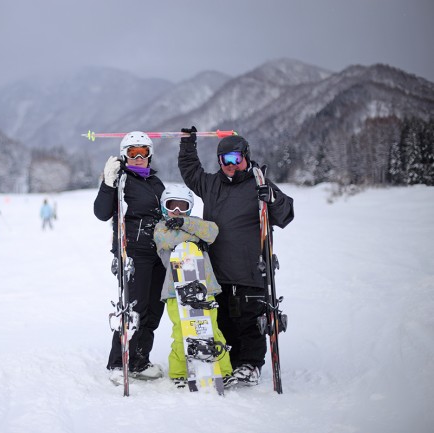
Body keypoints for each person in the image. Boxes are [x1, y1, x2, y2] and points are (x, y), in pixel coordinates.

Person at [178, 126, 294, 387]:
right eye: (224, 160)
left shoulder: (260, 183)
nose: (230, 165)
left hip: (250, 269)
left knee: (249, 322)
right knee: (222, 321)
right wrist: (187, 145)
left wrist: (272, 199)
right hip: (217, 270)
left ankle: (250, 365)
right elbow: (190, 171)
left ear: (245, 156)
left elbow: (285, 214)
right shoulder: (211, 184)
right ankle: (228, 363)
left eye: (234, 159)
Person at [93, 131, 167, 383]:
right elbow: (102, 213)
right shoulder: (121, 180)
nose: (137, 157)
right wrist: (107, 183)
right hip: (134, 252)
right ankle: (118, 362)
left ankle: (139, 360)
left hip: (159, 253)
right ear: (124, 155)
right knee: (134, 309)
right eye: (132, 152)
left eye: (143, 152)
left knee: (154, 309)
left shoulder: (156, 183)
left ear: (150, 155)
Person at [153, 184, 233, 388]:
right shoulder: (160, 227)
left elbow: (213, 231)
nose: (177, 211)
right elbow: (169, 239)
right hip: (174, 291)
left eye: (182, 206)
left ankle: (224, 371)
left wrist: (184, 223)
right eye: (173, 206)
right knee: (181, 332)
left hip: (205, 288)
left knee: (212, 330)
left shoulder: (195, 223)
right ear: (164, 207)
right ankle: (179, 372)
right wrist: (195, 235)